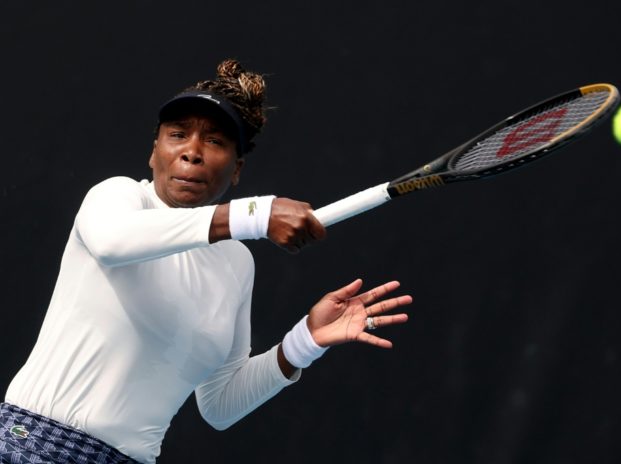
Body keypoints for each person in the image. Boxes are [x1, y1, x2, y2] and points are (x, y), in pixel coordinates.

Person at [0, 58, 411, 464]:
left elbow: (220, 404)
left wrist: (304, 342)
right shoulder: (118, 197)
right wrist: (255, 214)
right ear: (154, 152)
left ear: (236, 169)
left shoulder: (236, 263)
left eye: (214, 141)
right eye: (178, 134)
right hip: (28, 445)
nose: (191, 152)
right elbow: (111, 242)